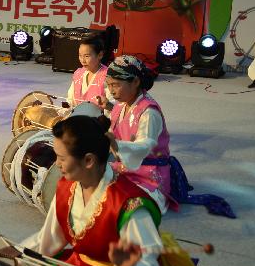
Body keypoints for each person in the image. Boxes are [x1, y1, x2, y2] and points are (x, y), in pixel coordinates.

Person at [17, 114, 168, 266]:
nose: (56, 164)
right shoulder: (66, 187)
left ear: (88, 160)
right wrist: (19, 253)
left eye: (61, 158)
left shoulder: (130, 205)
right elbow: (48, 239)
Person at [97, 56, 234, 218]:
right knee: (88, 180)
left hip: (148, 174)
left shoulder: (149, 112)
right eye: (109, 85)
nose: (111, 90)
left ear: (135, 82)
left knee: (126, 205)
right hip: (126, 168)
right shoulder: (121, 105)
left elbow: (146, 146)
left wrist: (117, 145)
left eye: (116, 85)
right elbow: (121, 123)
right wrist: (107, 109)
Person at [66, 35, 111, 107]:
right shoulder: (78, 73)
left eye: (87, 56)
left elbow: (113, 107)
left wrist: (108, 105)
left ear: (100, 55)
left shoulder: (108, 76)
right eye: (80, 55)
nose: (83, 60)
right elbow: (70, 100)